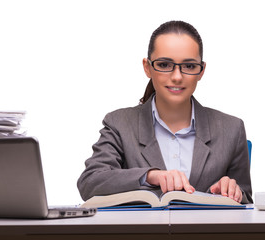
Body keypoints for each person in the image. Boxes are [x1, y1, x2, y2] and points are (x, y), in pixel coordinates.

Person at [77, 20, 252, 204]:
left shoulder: (232, 129)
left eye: (189, 66)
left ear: (202, 71)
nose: (177, 77)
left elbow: (248, 202)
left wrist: (234, 190)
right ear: (147, 67)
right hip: (139, 232)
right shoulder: (119, 123)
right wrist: (149, 176)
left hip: (205, 232)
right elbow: (90, 182)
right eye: (164, 65)